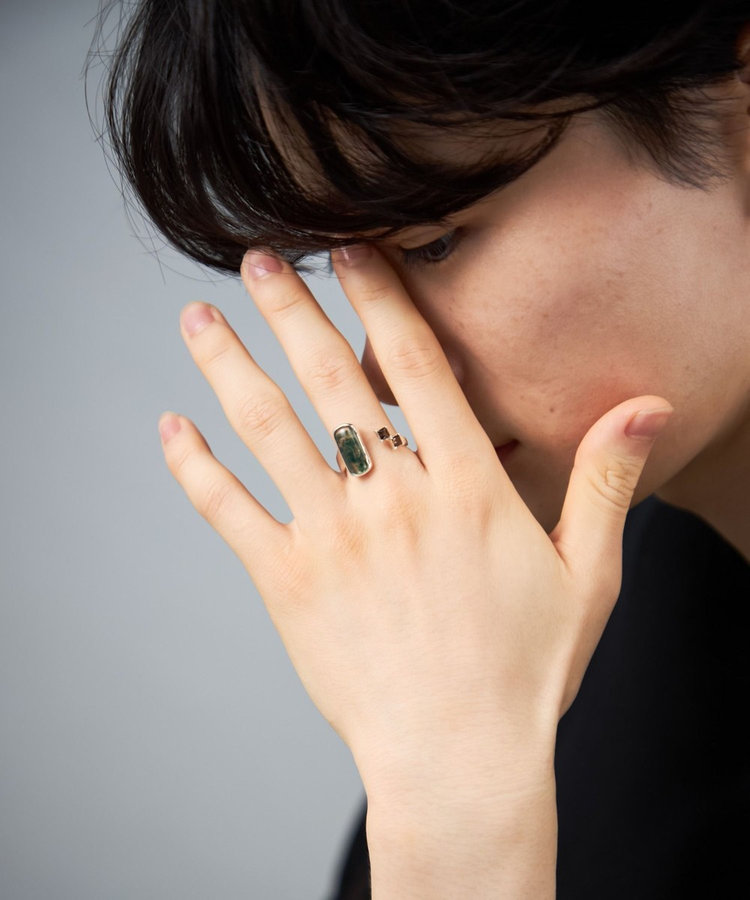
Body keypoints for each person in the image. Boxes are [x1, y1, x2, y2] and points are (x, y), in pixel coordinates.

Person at [96, 2, 750, 896]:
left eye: (434, 242)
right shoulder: (541, 693)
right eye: (351, 268)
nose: (386, 371)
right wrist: (454, 806)